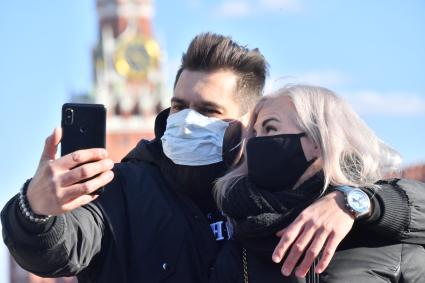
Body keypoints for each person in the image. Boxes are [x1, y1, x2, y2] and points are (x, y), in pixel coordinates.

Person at [1, 33, 425, 283]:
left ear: (248, 122)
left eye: (207, 112)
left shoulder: (276, 192)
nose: (185, 121)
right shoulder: (123, 187)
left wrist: (354, 202)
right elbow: (54, 250)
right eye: (178, 105)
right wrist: (36, 209)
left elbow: (401, 202)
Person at [212, 85, 425, 282]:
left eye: (270, 128)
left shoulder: (386, 238)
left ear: (318, 140)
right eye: (255, 133)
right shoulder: (239, 250)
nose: (256, 143)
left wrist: (349, 201)